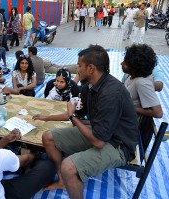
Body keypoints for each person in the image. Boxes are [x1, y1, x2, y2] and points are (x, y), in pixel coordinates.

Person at [40, 45, 139, 198]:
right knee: (48, 137)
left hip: (119, 144)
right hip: (102, 133)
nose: (77, 69)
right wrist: (68, 114)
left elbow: (98, 142)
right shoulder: (89, 86)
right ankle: (62, 182)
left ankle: (67, 178)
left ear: (91, 68)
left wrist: (72, 116)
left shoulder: (111, 93)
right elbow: (78, 116)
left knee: (69, 167)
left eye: (79, 65)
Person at [121, 44, 163, 119]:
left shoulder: (142, 83)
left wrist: (131, 108)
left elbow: (158, 113)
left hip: (129, 123)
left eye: (125, 63)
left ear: (134, 67)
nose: (122, 64)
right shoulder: (132, 76)